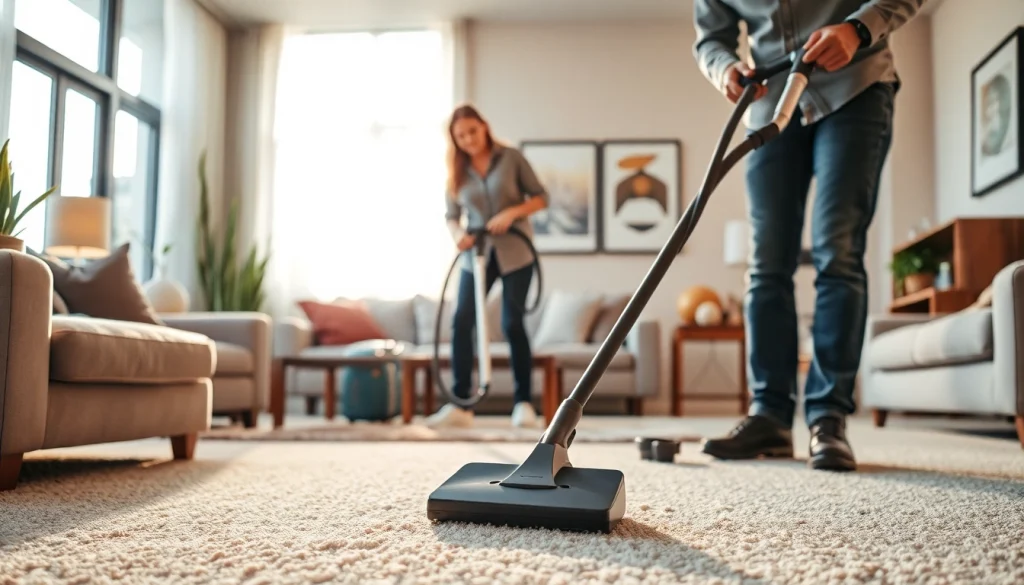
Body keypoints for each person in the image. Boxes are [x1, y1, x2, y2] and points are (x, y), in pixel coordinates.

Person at [693, 0, 926, 471]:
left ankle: (828, 416)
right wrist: (724, 69)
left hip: (854, 88)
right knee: (766, 265)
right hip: (770, 105)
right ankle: (770, 416)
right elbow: (710, 39)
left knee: (836, 251)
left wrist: (859, 29)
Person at [425, 105, 550, 429]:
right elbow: (451, 215)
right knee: (461, 320)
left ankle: (523, 404)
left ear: (484, 127)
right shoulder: (456, 170)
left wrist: (511, 213)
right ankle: (461, 404)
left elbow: (540, 198)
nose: (468, 140)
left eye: (472, 131)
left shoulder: (511, 158)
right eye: (461, 136)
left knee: (512, 322)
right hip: (475, 255)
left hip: (515, 252)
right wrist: (457, 234)